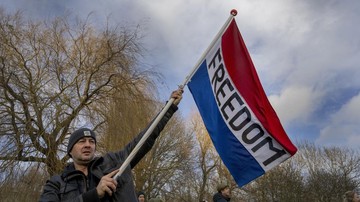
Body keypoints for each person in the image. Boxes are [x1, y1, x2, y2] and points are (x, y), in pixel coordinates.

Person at [39, 88, 183, 202]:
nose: (88, 145)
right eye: (82, 142)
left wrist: (168, 109)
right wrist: (95, 194)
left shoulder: (114, 162)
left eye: (92, 142)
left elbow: (143, 139)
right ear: (70, 150)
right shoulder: (56, 182)